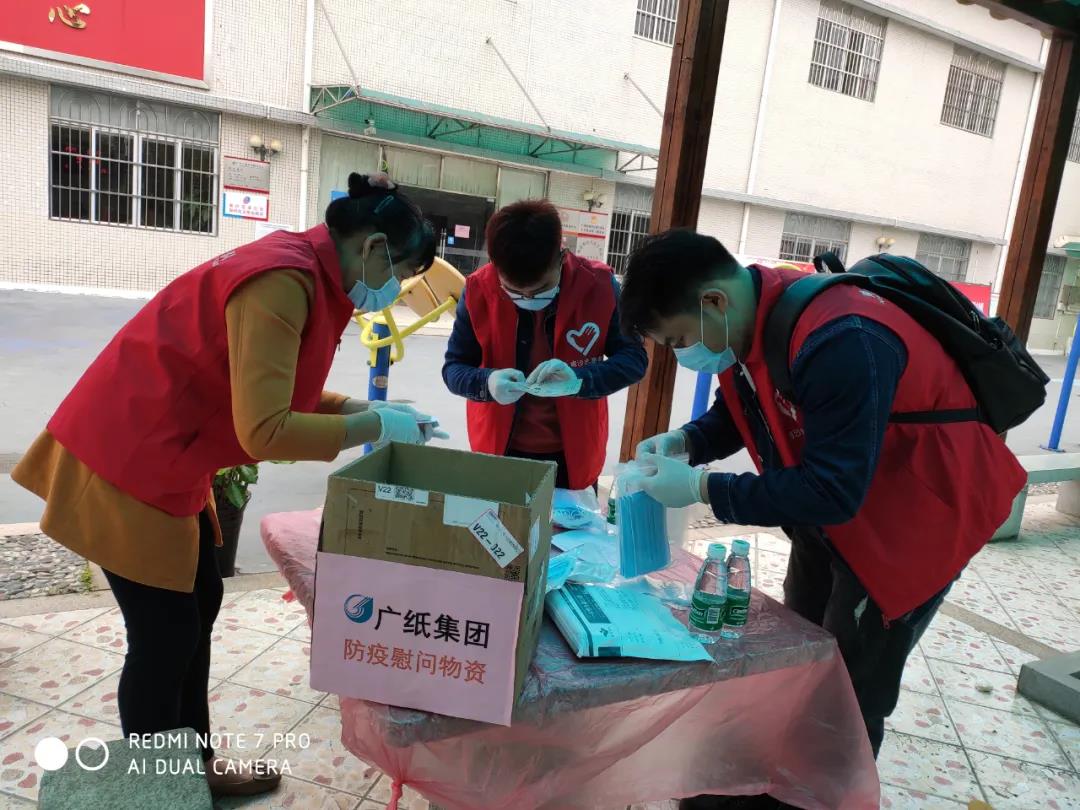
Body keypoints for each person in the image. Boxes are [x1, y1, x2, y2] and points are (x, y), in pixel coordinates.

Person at [12, 172, 443, 798]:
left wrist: (358, 407)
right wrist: (372, 425)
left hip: (171, 452)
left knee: (200, 602)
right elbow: (266, 428)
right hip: (129, 457)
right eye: (399, 272)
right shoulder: (282, 281)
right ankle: (157, 790)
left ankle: (195, 765)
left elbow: (272, 385)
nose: (394, 290)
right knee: (164, 638)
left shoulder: (307, 273)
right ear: (374, 246)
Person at [618, 230, 1025, 809]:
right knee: (800, 655)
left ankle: (831, 795)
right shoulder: (751, 317)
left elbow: (832, 489)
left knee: (850, 690)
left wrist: (703, 488)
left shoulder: (843, 337)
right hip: (832, 520)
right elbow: (742, 407)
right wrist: (687, 441)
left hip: (910, 529)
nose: (684, 354)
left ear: (713, 301)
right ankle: (778, 785)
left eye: (680, 340)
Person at [442, 199, 648, 490]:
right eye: (514, 292)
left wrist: (580, 381)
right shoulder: (477, 290)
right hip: (499, 451)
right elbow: (454, 369)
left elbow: (634, 359)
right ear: (495, 265)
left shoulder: (599, 285)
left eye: (539, 290)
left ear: (561, 256)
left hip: (574, 454)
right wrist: (486, 383)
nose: (527, 299)